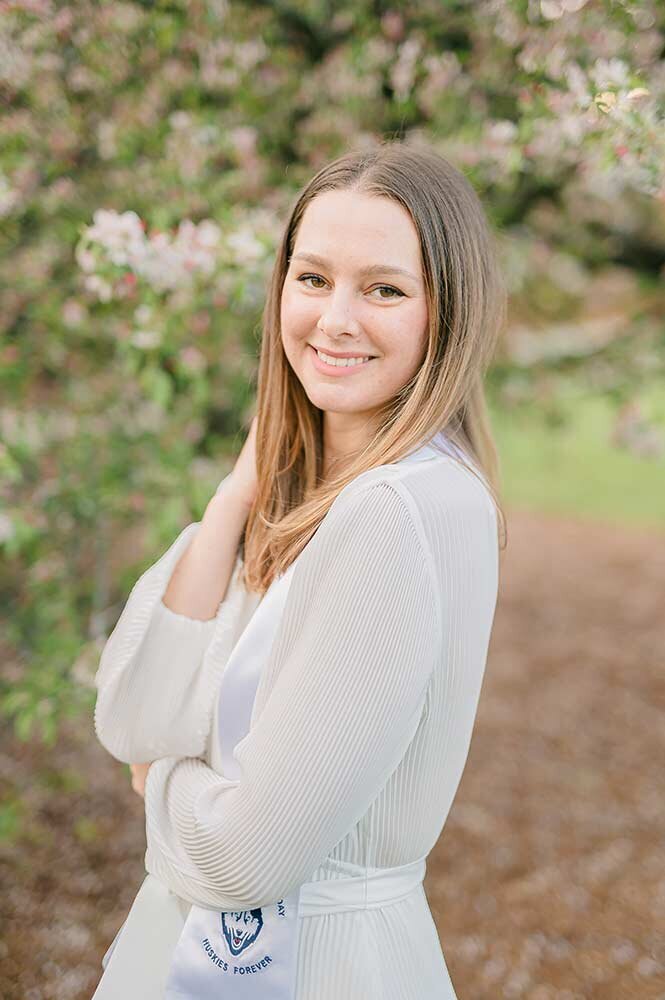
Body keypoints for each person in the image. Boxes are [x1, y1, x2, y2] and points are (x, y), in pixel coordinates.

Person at [91, 140, 508, 1000]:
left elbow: (247, 858)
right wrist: (238, 492)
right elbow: (133, 719)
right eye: (312, 278)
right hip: (188, 948)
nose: (334, 319)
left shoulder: (395, 512)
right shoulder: (311, 495)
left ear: (448, 313)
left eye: (384, 289)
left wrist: (160, 786)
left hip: (320, 965)